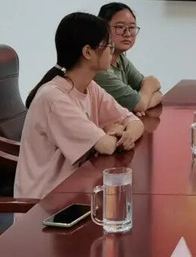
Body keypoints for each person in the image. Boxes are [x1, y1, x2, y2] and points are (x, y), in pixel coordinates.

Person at [15, 12, 144, 200]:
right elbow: (106, 146)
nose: (112, 50)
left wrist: (126, 134)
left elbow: (134, 121)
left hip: (76, 191)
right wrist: (112, 131)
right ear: (87, 52)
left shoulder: (90, 87)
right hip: (45, 205)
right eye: (108, 45)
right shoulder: (54, 97)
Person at [95, 2, 162, 115]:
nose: (127, 34)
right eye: (120, 27)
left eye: (132, 28)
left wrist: (139, 105)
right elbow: (141, 102)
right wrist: (138, 105)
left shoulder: (120, 58)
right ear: (103, 29)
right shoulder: (99, 68)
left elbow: (158, 93)